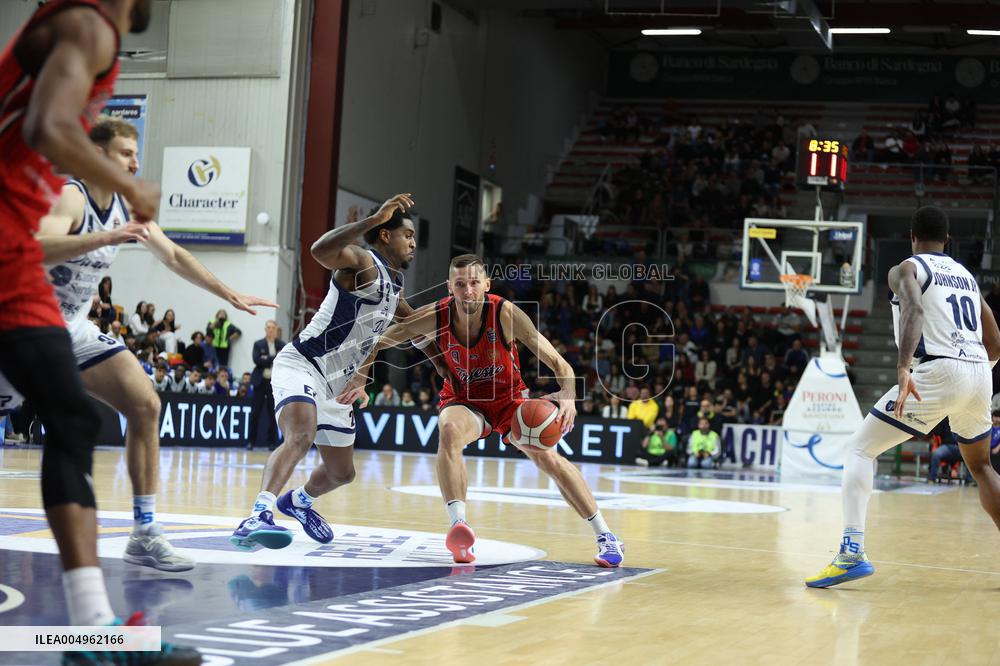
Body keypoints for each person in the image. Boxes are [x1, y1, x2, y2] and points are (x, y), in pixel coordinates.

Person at [0, 0, 200, 660]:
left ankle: (91, 634)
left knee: (75, 419)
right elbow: (49, 123)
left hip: (21, 265)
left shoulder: (89, 32)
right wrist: (129, 187)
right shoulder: (87, 24)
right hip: (10, 246)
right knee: (69, 416)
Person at [26, 114, 275, 571]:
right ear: (97, 155)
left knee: (145, 403)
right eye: (126, 153)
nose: (135, 162)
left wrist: (228, 293)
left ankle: (143, 533)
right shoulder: (70, 196)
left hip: (74, 329)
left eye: (136, 154)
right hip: (25, 323)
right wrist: (106, 236)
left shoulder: (124, 204)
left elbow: (174, 254)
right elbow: (35, 247)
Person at [340, 254, 625, 568]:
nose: (468, 291)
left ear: (487, 285)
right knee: (448, 431)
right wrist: (361, 376)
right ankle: (459, 526)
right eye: (460, 284)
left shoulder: (505, 313)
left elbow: (559, 363)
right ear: (450, 287)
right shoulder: (438, 314)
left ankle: (606, 535)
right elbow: (379, 340)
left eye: (474, 283)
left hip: (509, 401)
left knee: (548, 457)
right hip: (464, 400)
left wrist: (568, 395)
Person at [231, 194, 444, 550]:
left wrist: (445, 369)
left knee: (342, 473)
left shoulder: (394, 287)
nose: (413, 243)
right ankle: (258, 513)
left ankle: (298, 501)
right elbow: (318, 250)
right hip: (303, 364)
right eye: (407, 235)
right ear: (385, 236)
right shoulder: (363, 262)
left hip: (337, 386)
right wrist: (372, 219)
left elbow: (416, 329)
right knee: (300, 435)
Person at [806, 206, 1000, 589]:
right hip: (980, 372)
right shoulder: (967, 278)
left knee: (859, 450)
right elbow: (995, 343)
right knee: (982, 469)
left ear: (912, 236)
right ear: (948, 240)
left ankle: (851, 553)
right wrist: (972, 372)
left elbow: (912, 308)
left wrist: (904, 368)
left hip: (938, 369)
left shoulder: (906, 268)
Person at [248, 319, 285, 450]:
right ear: (265, 329)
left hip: (273, 383)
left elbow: (283, 362)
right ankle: (250, 441)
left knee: (273, 413)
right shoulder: (258, 344)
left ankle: (272, 442)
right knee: (255, 413)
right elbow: (257, 360)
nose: (270, 330)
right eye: (268, 327)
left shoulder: (282, 345)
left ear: (276, 330)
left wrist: (267, 358)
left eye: (272, 328)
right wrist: (275, 357)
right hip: (260, 381)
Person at [927, 418, 969, 483]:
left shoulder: (961, 421)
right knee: (936, 454)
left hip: (960, 447)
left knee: (970, 456)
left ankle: (969, 480)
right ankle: (932, 478)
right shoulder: (944, 421)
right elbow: (936, 432)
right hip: (946, 447)